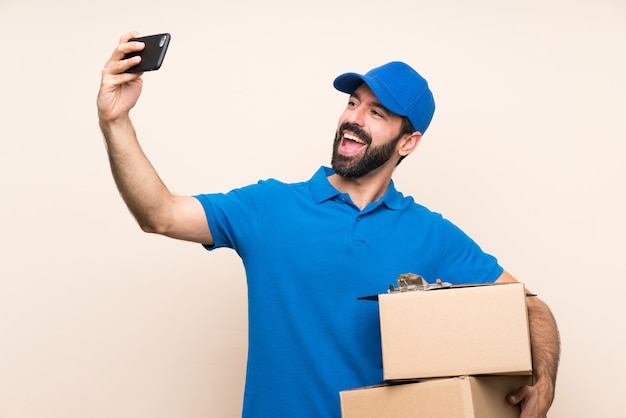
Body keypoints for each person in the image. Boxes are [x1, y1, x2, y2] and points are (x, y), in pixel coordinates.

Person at [97, 32, 560, 418]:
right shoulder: (270, 206)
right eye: (353, 103)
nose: (353, 120)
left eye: (377, 114)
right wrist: (116, 122)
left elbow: (530, 307)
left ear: (409, 142)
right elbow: (159, 214)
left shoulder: (430, 233)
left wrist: (544, 382)